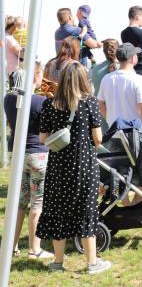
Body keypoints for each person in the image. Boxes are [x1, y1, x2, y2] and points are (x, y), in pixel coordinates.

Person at [37, 61, 111, 274]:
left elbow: (43, 138)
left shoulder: (49, 104)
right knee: (85, 210)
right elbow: (97, 138)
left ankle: (58, 262)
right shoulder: (89, 103)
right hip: (83, 165)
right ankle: (92, 263)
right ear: (82, 79)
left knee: (58, 210)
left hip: (58, 166)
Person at [3, 63, 53, 260]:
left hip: (18, 155)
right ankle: (35, 248)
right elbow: (47, 130)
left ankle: (12, 246)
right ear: (35, 77)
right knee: (37, 203)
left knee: (19, 203)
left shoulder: (9, 99)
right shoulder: (40, 101)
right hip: (38, 154)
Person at [97, 42, 142, 126]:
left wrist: (109, 120)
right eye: (136, 55)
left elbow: (100, 104)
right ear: (133, 58)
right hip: (134, 131)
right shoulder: (138, 80)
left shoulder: (106, 78)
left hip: (114, 130)